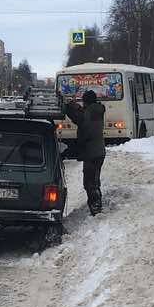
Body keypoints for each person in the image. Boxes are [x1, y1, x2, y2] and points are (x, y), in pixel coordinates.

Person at [62, 87, 108, 215]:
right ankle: (96, 204)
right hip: (99, 151)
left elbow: (78, 117)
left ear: (86, 102)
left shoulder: (89, 113)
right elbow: (82, 113)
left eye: (83, 102)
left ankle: (96, 207)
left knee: (89, 182)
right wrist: (74, 105)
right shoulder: (96, 111)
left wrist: (69, 106)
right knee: (94, 179)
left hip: (91, 152)